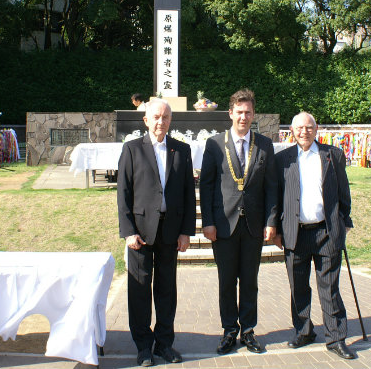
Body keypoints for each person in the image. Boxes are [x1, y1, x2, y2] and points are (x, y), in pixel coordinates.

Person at [116, 98, 195, 367]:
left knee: (166, 290)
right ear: (146, 120)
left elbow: (187, 192)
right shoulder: (132, 149)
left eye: (166, 117)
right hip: (140, 232)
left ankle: (164, 344)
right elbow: (123, 194)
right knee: (139, 291)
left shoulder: (181, 150)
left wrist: (186, 231)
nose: (161, 122)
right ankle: (143, 347)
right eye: (156, 117)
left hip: (170, 233)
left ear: (170, 120)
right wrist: (127, 231)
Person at [199, 89, 278, 355]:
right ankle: (229, 331)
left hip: (254, 225)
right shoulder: (214, 144)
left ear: (253, 114)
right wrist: (207, 222)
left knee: (250, 281)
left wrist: (271, 220)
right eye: (239, 112)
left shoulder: (265, 145)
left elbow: (271, 187)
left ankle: (249, 331)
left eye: (248, 112)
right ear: (230, 113)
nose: (243, 117)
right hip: (223, 224)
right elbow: (207, 186)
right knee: (226, 281)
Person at [273, 112, 357, 360]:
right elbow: (277, 197)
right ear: (292, 130)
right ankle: (303, 331)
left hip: (326, 231)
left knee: (329, 287)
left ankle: (336, 337)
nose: (304, 132)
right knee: (298, 286)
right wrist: (276, 229)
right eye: (299, 128)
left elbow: (344, 192)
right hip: (294, 233)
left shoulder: (332, 155)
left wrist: (345, 223)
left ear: (316, 128)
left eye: (309, 127)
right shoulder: (282, 160)